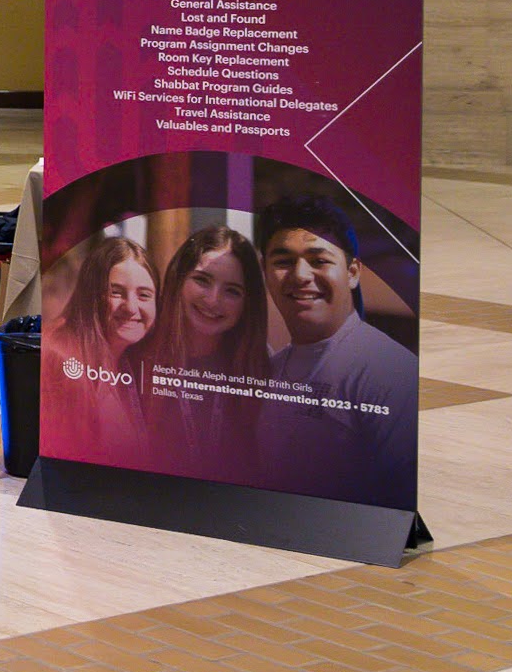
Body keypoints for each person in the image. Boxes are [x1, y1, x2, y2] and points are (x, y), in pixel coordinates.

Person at [259, 195, 417, 503]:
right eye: (283, 262)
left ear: (352, 272)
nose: (300, 275)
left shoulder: (389, 370)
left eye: (319, 261)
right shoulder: (273, 368)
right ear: (266, 273)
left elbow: (396, 497)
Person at [137, 223, 269, 467]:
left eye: (232, 291)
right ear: (179, 279)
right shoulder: (137, 355)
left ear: (248, 303)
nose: (213, 300)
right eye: (202, 280)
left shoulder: (261, 367)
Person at [44, 235, 158, 457]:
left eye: (144, 295)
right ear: (91, 294)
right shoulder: (60, 357)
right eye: (116, 292)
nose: (131, 307)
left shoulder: (136, 364)